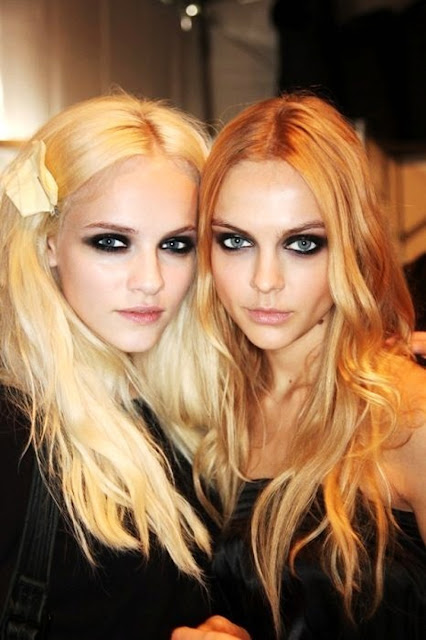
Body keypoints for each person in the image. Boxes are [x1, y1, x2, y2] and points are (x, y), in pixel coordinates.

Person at [172, 94, 426, 639]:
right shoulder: (216, 406)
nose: (265, 280)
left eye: (303, 243)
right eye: (236, 241)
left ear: (353, 247)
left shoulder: (410, 415)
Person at [0, 93, 215, 639]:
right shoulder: (14, 431)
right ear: (49, 243)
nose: (150, 280)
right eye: (112, 242)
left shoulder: (187, 410)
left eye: (177, 245)